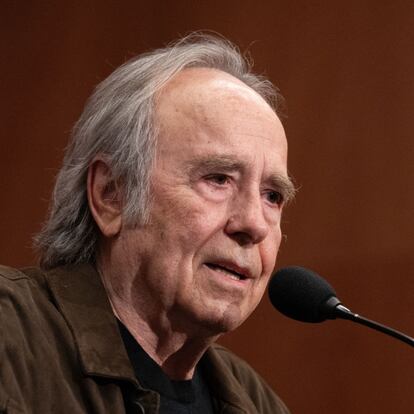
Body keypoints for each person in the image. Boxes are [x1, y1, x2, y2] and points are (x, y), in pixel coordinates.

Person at [0, 34, 295, 413]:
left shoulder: (258, 403)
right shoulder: (11, 335)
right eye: (218, 179)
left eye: (272, 196)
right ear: (112, 195)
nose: (254, 223)